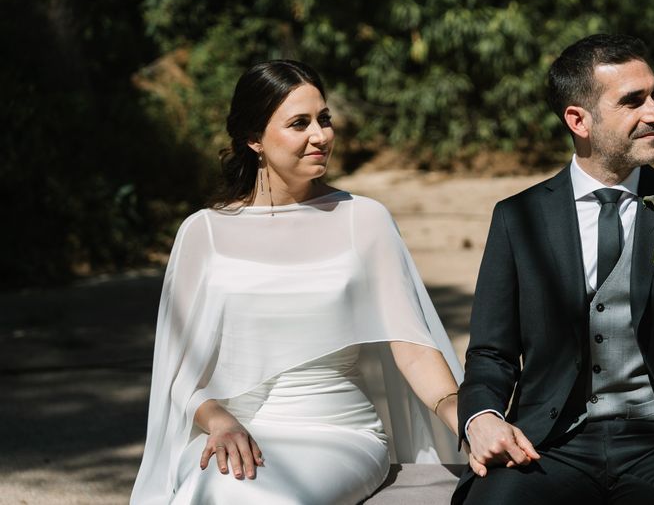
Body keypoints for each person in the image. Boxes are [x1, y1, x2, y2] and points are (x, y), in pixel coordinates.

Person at [455, 34, 654, 504]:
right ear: (578, 120)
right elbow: (490, 353)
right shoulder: (517, 218)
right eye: (633, 101)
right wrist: (481, 417)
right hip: (550, 445)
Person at [131, 60, 464, 505]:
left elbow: (413, 348)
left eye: (324, 119)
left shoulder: (363, 220)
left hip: (338, 434)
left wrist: (467, 416)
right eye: (299, 123)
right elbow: (182, 374)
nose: (320, 135)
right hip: (233, 432)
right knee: (206, 491)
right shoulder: (202, 232)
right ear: (254, 139)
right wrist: (218, 421)